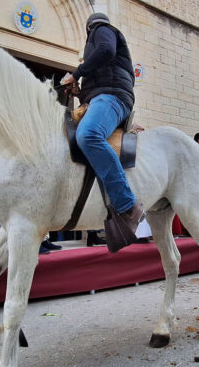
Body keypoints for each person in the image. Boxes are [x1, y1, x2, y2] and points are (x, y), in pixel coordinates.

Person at [59, 13, 144, 252]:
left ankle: (127, 205)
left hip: (112, 97)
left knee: (89, 135)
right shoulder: (101, 48)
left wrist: (77, 72)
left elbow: (105, 50)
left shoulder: (102, 30)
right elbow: (100, 74)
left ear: (89, 28)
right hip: (101, 98)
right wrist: (78, 92)